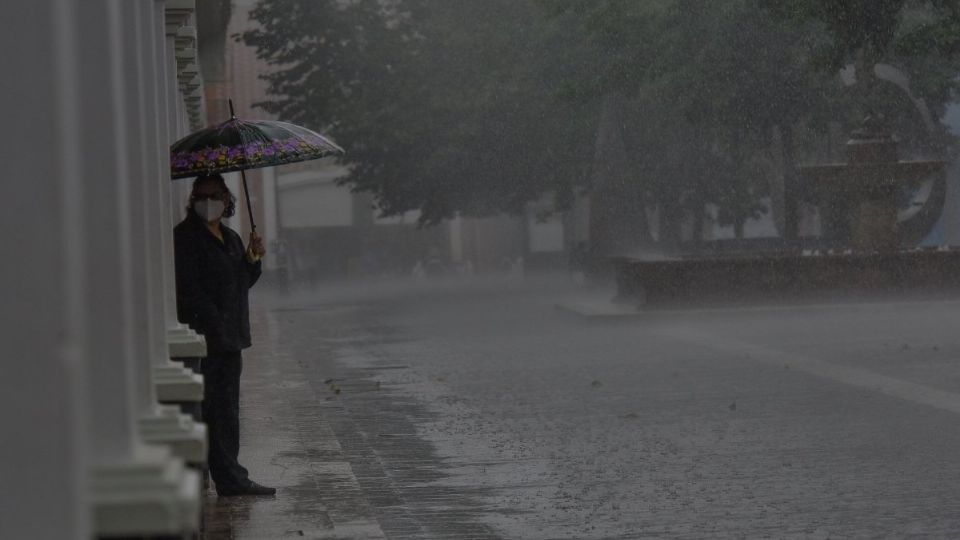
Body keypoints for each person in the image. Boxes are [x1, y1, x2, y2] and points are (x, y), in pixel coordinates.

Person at [173, 173, 275, 497]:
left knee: (228, 410)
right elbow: (190, 290)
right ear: (192, 200)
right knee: (215, 411)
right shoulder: (185, 238)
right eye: (201, 195)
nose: (208, 201)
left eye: (214, 195)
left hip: (232, 339)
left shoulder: (230, 239)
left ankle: (230, 472)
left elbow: (240, 283)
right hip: (207, 339)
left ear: (226, 199)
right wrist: (215, 323)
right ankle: (229, 478)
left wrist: (252, 258)